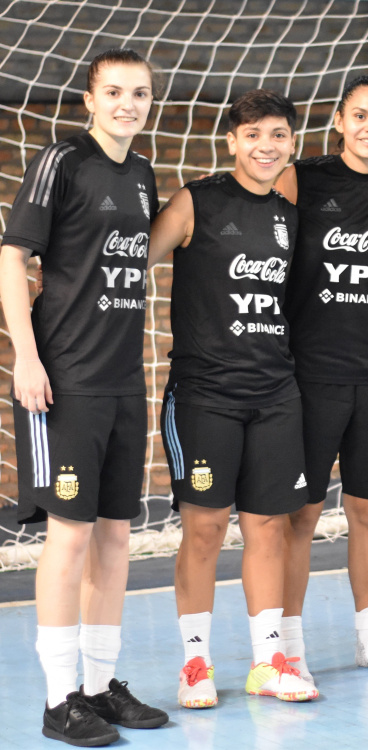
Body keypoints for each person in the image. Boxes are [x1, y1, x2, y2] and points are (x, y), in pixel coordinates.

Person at [0, 48, 168, 747]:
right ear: (90, 100)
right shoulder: (62, 162)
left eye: (140, 93)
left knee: (116, 536)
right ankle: (57, 699)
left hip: (124, 379)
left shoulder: (143, 175)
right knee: (67, 537)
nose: (128, 103)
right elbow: (12, 257)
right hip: (64, 378)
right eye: (115, 92)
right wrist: (26, 359)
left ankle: (99, 688)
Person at [149, 89, 318, 706]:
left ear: (291, 143)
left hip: (275, 390)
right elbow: (132, 256)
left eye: (277, 135)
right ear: (232, 141)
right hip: (204, 393)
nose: (266, 146)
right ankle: (196, 664)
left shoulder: (289, 214)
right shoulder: (197, 200)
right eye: (253, 135)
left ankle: (269, 661)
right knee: (205, 529)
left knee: (269, 526)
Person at [275, 75, 368, 680]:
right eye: (360, 116)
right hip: (311, 373)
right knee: (303, 515)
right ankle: (289, 645)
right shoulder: (302, 177)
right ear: (339, 120)